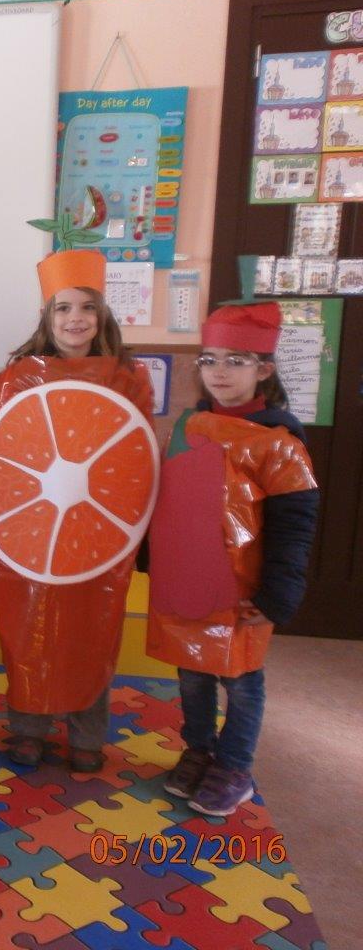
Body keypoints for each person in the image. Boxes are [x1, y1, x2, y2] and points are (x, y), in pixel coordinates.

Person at [0, 241, 153, 772]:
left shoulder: (129, 377)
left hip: (98, 527)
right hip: (31, 527)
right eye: (63, 307)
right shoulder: (17, 377)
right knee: (29, 626)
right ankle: (27, 729)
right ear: (47, 314)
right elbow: (0, 454)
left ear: (101, 313)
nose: (75, 319)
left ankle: (86, 735)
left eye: (86, 307)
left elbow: (137, 457)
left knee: (91, 630)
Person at [148, 299, 318, 816]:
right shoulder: (189, 426)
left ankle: (235, 766)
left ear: (263, 369)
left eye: (235, 361)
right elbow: (170, 505)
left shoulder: (279, 442)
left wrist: (278, 595)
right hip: (190, 582)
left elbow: (294, 526)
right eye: (209, 360)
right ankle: (199, 751)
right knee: (192, 673)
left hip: (243, 590)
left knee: (241, 681)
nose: (219, 371)